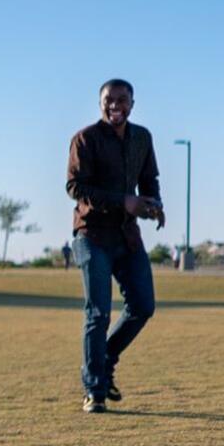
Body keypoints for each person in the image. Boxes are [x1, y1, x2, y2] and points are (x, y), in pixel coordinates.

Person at [66, 78, 164, 413]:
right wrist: (125, 201)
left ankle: (104, 359)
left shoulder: (142, 138)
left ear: (132, 104)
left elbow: (149, 179)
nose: (115, 105)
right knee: (98, 313)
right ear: (101, 104)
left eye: (122, 100)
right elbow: (76, 188)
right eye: (109, 99)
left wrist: (153, 204)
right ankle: (94, 390)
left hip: (127, 237)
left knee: (143, 305)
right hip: (92, 237)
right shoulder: (85, 139)